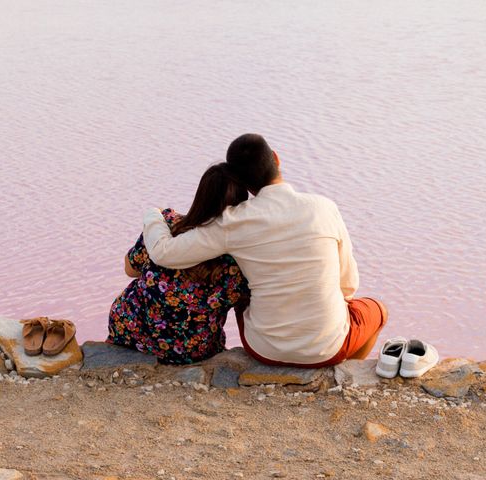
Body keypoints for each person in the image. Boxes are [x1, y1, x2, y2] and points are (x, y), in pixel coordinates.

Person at [142, 134, 388, 367]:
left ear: (240, 181)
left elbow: (164, 252)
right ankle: (346, 371)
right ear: (276, 158)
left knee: (246, 292)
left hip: (264, 348)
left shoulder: (233, 221)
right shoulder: (324, 208)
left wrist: (153, 214)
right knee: (378, 310)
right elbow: (348, 284)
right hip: (328, 348)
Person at [107, 163, 250, 365]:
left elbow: (130, 269)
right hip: (193, 349)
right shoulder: (240, 260)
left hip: (131, 331)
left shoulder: (167, 224)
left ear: (200, 197)